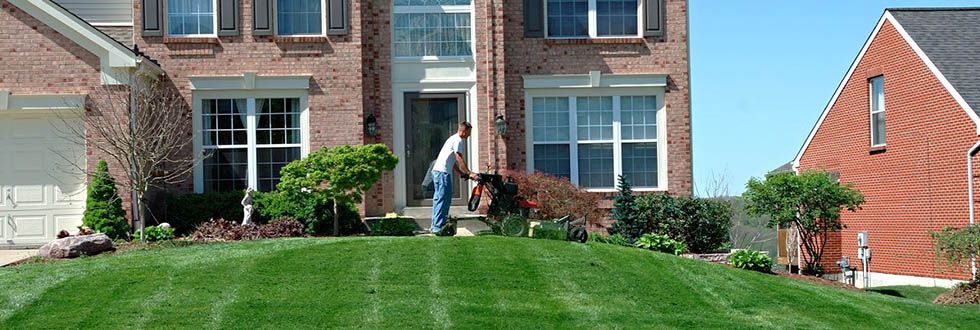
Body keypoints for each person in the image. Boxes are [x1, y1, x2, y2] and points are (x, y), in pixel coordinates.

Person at [431, 122, 478, 235]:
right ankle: (438, 227)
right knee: (443, 199)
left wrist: (462, 174)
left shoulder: (452, 138)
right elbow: (458, 158)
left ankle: (436, 226)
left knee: (440, 199)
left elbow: (452, 162)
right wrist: (469, 172)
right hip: (442, 173)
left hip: (439, 172)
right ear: (464, 131)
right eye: (469, 132)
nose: (469, 135)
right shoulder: (458, 140)